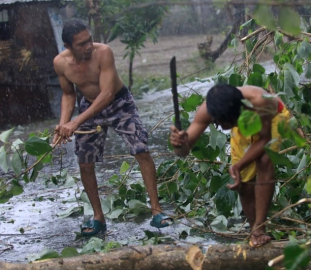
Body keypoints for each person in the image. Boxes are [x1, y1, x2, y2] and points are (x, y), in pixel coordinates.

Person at [53, 19, 171, 236]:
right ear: (68, 47)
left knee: (141, 150)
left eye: (89, 40)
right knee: (85, 162)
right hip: (88, 106)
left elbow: (107, 94)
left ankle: (157, 210)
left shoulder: (103, 52)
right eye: (81, 44)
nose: (88, 46)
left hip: (118, 102)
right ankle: (99, 217)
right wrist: (63, 124)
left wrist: (75, 122)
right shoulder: (60, 63)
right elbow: (69, 94)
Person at [169, 84, 289, 247]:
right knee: (244, 184)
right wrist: (179, 144)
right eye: (220, 122)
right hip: (245, 124)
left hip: (272, 117)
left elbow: (264, 139)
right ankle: (254, 230)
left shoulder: (259, 101)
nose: (222, 127)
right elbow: (183, 152)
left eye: (228, 122)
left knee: (264, 160)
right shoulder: (207, 111)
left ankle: (260, 228)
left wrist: (238, 165)